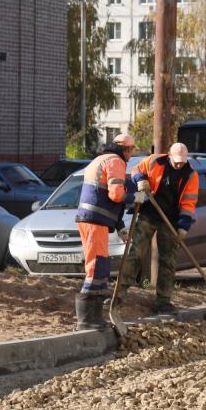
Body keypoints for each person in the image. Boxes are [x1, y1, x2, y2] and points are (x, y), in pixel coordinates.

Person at [121, 143, 199, 314]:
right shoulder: (154, 161)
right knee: (136, 252)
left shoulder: (190, 174)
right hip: (149, 213)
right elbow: (135, 169)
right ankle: (120, 292)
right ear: (169, 155)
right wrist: (140, 179)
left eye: (182, 161)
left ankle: (163, 301)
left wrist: (183, 226)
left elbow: (189, 202)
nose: (179, 164)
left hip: (170, 219)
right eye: (177, 161)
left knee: (168, 259)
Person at [75, 132, 135, 330]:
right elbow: (116, 195)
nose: (131, 155)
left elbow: (103, 198)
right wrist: (134, 197)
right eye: (131, 150)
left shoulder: (100, 160)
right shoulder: (115, 161)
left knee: (98, 266)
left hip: (92, 219)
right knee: (96, 267)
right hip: (95, 221)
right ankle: (87, 318)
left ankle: (94, 317)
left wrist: (120, 226)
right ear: (126, 149)